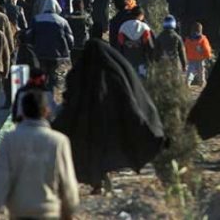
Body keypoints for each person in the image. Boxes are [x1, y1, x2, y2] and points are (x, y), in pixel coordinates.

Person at [53, 39, 164, 194]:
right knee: (104, 150)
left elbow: (70, 93)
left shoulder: (80, 72)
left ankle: (97, 181)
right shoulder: (114, 69)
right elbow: (127, 91)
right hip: (108, 120)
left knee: (87, 151)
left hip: (84, 121)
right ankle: (100, 179)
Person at [0, 89, 79, 218]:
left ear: (22, 112)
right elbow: (68, 182)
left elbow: (0, 180)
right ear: (47, 111)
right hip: (49, 212)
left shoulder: (9, 140)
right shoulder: (59, 141)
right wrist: (69, 211)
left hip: (20, 212)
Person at [27, 0, 74, 103]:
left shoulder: (36, 19)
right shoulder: (62, 21)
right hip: (57, 56)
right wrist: (68, 50)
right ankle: (51, 99)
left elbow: (29, 36)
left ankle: (41, 99)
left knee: (41, 77)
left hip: (40, 54)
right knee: (53, 78)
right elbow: (70, 39)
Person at [117, 5, 155, 77]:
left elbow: (119, 46)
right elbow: (150, 46)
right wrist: (151, 61)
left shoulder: (123, 27)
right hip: (142, 63)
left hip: (127, 62)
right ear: (141, 15)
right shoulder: (144, 27)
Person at [184, 21, 213, 86]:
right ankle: (201, 84)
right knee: (201, 73)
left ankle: (187, 83)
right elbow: (207, 49)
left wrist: (185, 57)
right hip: (200, 59)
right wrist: (208, 56)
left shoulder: (188, 39)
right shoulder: (203, 39)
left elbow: (185, 49)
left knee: (190, 72)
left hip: (191, 59)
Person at [64, 0, 92, 64]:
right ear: (81, 5)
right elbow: (91, 27)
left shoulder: (68, 17)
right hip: (84, 44)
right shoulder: (86, 17)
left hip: (73, 45)